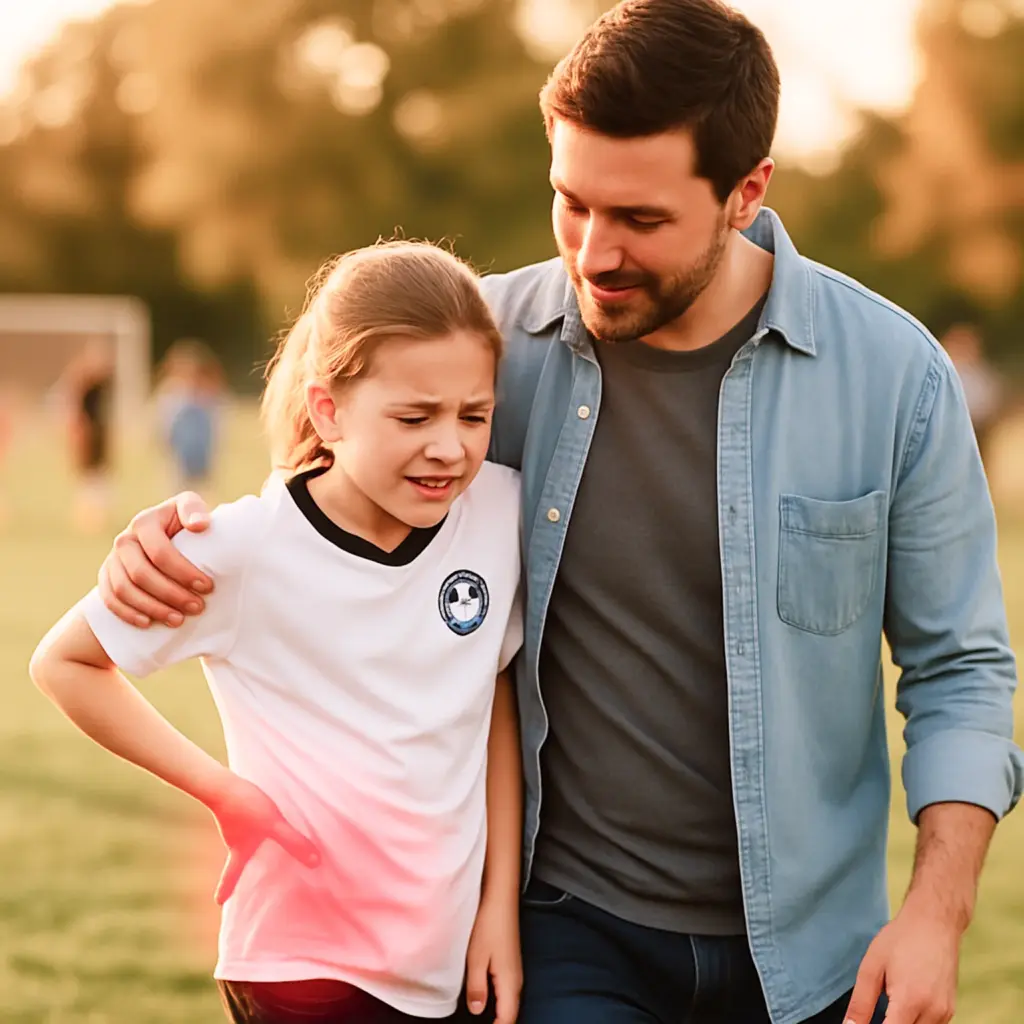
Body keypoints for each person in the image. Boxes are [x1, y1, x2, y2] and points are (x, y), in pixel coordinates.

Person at [91, 2, 1024, 1023]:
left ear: (745, 194)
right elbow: (322, 491)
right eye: (570, 203)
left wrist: (937, 912)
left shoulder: (894, 379)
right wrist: (166, 540)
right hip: (567, 933)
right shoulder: (479, 349)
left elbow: (959, 671)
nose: (593, 254)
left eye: (639, 219)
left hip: (811, 951)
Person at [30, 242, 526, 1024]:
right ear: (327, 409)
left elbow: (491, 698)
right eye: (414, 416)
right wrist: (223, 792)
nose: (450, 445)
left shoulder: (501, 512)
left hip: (445, 960)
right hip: (298, 965)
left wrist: (499, 906)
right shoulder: (243, 546)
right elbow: (65, 663)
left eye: (475, 415)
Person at [154, 338, 227, 494]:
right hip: (180, 460)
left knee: (200, 496)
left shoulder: (208, 399)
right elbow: (165, 428)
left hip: (201, 458)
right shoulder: (172, 398)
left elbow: (216, 426)